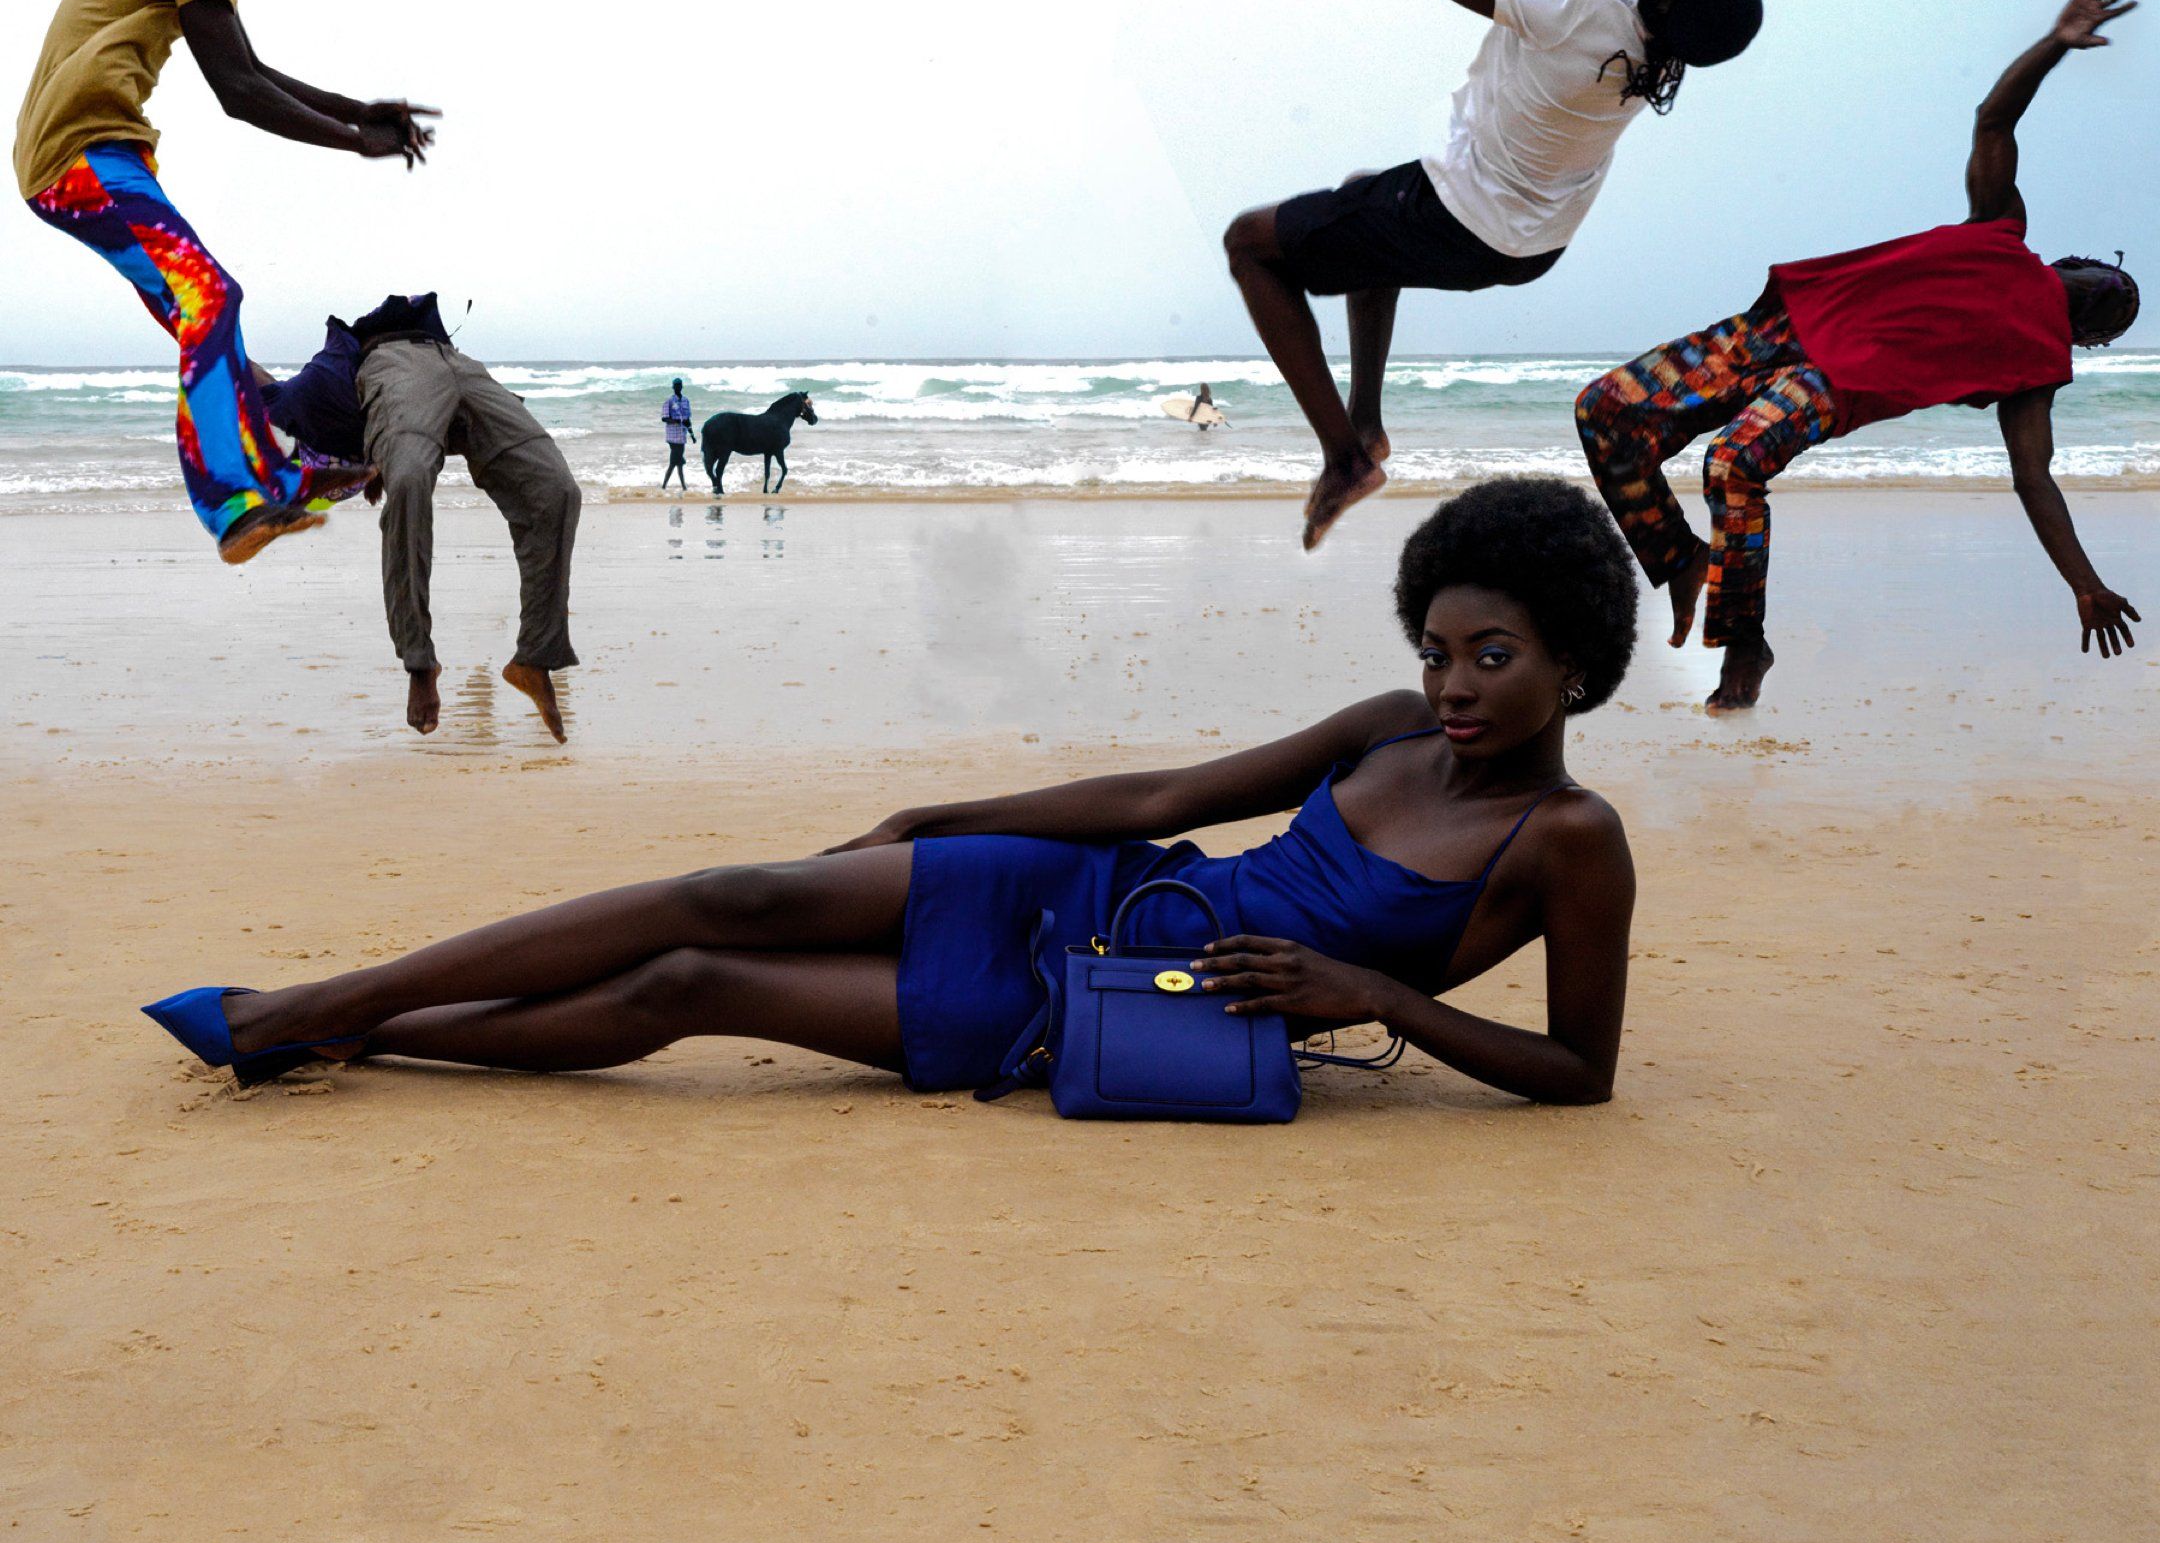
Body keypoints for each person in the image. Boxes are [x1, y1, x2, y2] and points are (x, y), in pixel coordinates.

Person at [141, 476, 1640, 1110]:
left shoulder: (1570, 841)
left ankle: (357, 1034)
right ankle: (312, 1011)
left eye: (1490, 657)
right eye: (1440, 647)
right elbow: (1170, 790)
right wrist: (953, 815)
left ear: (1571, 664)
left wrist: (1365, 989)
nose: (1452, 683)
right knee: (737, 891)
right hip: (1105, 892)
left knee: (692, 981)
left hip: (1158, 1000)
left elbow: (1582, 1073)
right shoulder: (1387, 729)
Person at [1224, 0, 1781, 549]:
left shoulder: (1581, 11)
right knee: (1370, 197)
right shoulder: (1655, 44)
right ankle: (1365, 425)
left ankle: (1344, 452)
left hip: (1462, 218)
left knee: (1252, 245)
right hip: (1533, 244)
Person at [1575, 0, 2143, 713]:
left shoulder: (2037, 368)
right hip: (1780, 323)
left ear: (2086, 338)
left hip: (1830, 381)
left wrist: (2085, 583)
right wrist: (2055, 45)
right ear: (2071, 263)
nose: (2110, 294)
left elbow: (2037, 482)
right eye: (2111, 283)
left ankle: (1745, 640)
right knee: (1604, 410)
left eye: (2115, 308)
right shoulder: (2001, 229)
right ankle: (1682, 562)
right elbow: (1994, 120)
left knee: (1732, 463)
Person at [15, 0, 436, 562]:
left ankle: (280, 471)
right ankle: (232, 503)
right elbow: (237, 91)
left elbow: (249, 64)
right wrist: (353, 141)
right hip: (77, 156)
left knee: (203, 315)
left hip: (98, 154)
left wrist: (354, 109)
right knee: (211, 296)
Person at [263, 293, 582, 742]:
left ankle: (534, 657)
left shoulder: (331, 408)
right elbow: (271, 394)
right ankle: (419, 663)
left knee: (558, 489)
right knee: (410, 478)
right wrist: (209, 339)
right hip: (392, 363)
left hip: (460, 363)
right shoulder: (339, 390)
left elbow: (282, 398)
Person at [661, 379, 694, 488]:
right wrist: (679, 421)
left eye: (679, 385)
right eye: (676, 385)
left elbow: (688, 420)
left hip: (682, 436)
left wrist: (692, 434)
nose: (677, 387)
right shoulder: (669, 401)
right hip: (672, 436)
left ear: (682, 386)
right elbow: (665, 418)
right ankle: (664, 485)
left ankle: (683, 487)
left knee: (678, 463)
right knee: (674, 463)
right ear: (673, 387)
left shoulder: (686, 401)